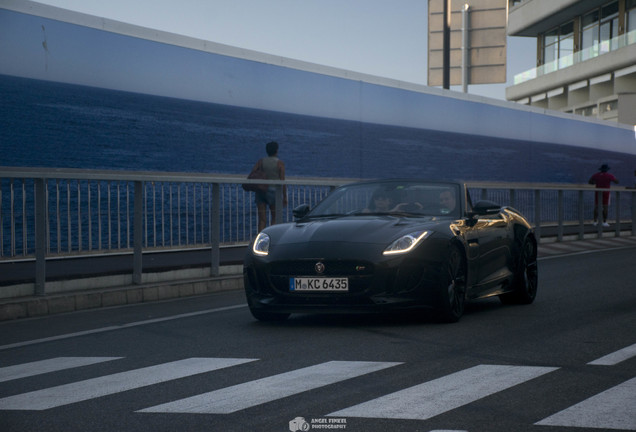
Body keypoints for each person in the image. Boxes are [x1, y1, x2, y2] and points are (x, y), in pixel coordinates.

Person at [253, 141, 287, 231]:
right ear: (276, 150)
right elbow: (282, 181)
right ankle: (272, 240)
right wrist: (285, 196)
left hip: (261, 191)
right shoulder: (280, 163)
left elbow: (253, 173)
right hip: (273, 191)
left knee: (262, 220)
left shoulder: (260, 162)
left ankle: (260, 240)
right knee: (274, 218)